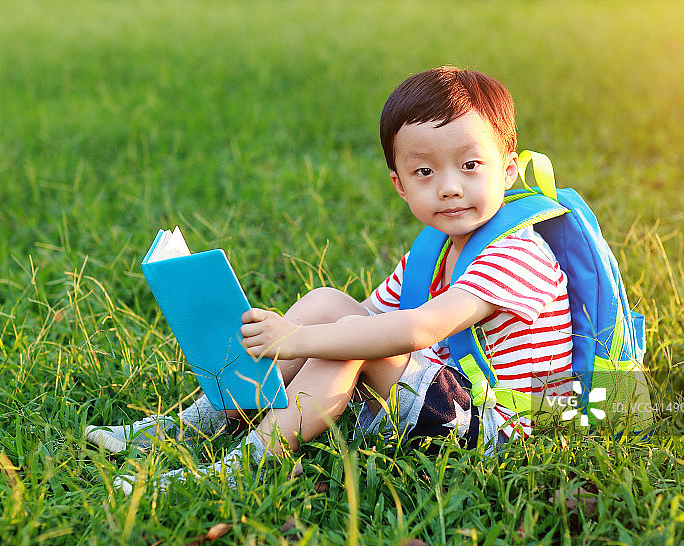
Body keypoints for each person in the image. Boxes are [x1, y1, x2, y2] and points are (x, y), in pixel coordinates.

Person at [87, 65, 573, 494]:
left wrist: (299, 339)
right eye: (425, 171)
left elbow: (416, 330)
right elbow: (365, 315)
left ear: (508, 171)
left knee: (345, 337)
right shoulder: (437, 247)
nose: (449, 187)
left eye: (470, 166)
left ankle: (246, 464)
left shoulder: (517, 251)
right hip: (438, 396)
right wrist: (308, 340)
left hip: (494, 429)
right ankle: (193, 425)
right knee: (328, 304)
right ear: (400, 185)